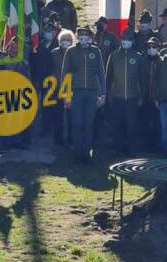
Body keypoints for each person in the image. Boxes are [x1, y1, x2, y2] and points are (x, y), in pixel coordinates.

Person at [63, 25, 106, 162]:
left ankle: (87, 153)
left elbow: (101, 73)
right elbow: (65, 74)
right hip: (76, 92)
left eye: (86, 34)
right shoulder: (71, 51)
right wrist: (66, 96)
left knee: (89, 123)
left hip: (92, 92)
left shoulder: (96, 51)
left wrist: (103, 94)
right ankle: (77, 153)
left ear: (90, 37)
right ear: (77, 36)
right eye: (81, 34)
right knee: (77, 123)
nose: (83, 37)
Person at [104, 27, 141, 154]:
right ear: (120, 40)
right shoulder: (114, 56)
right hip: (117, 96)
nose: (126, 41)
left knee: (132, 125)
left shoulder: (137, 57)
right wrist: (106, 94)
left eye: (129, 39)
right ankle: (117, 149)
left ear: (133, 41)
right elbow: (108, 77)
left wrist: (141, 95)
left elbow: (141, 78)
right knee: (117, 124)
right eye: (124, 39)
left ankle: (130, 149)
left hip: (132, 96)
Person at [138, 35, 162, 151]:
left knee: (158, 124)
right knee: (145, 122)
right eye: (149, 46)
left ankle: (157, 146)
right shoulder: (142, 61)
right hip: (145, 96)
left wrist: (158, 96)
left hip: (157, 98)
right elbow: (139, 78)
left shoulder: (162, 61)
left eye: (153, 46)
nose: (151, 48)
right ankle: (146, 146)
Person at [52, 28, 75, 146]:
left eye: (69, 39)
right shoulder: (54, 53)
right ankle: (58, 140)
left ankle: (71, 138)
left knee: (71, 116)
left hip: (71, 87)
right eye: (64, 39)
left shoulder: (75, 52)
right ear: (60, 41)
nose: (66, 41)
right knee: (58, 116)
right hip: (57, 87)